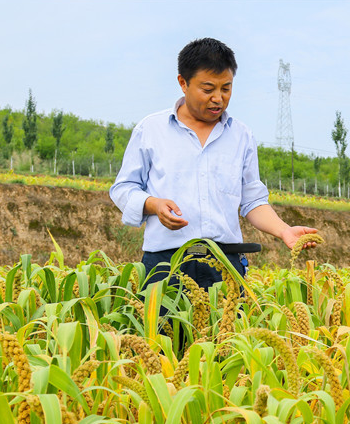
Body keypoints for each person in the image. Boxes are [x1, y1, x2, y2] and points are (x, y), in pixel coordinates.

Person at [110, 37, 318, 290]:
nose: (218, 98)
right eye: (208, 90)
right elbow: (123, 188)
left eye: (226, 89)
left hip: (225, 264)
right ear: (183, 83)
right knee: (164, 330)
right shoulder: (150, 130)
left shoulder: (241, 136)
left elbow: (252, 200)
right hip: (166, 264)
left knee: (228, 330)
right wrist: (153, 204)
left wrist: (284, 230)